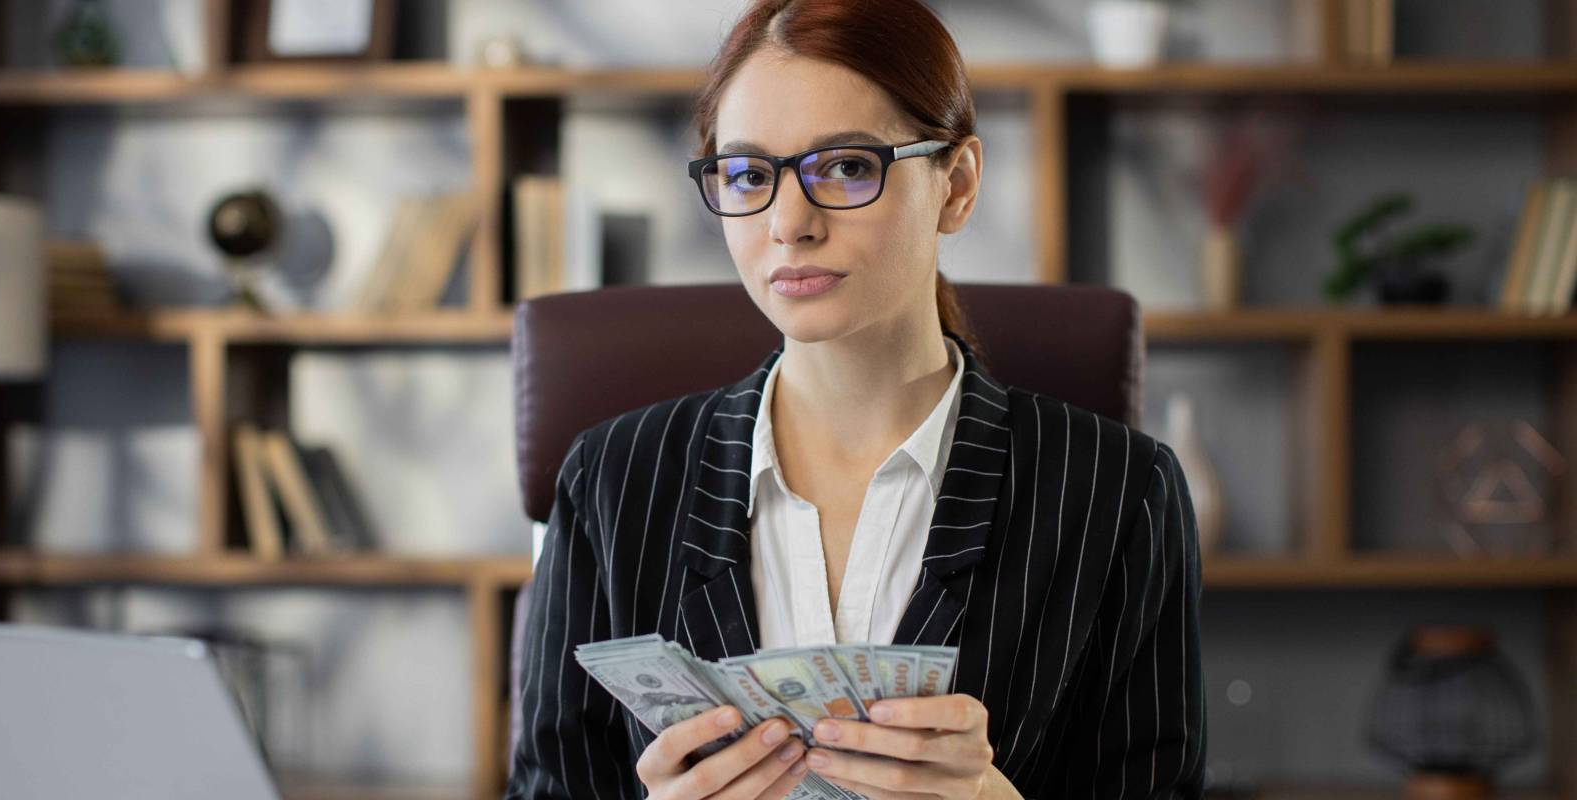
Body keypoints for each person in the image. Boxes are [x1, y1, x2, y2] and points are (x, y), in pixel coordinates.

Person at [504, 0, 1206, 797]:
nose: (789, 223)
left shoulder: (1121, 492)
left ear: (957, 186)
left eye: (845, 167)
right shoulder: (610, 479)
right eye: (749, 175)